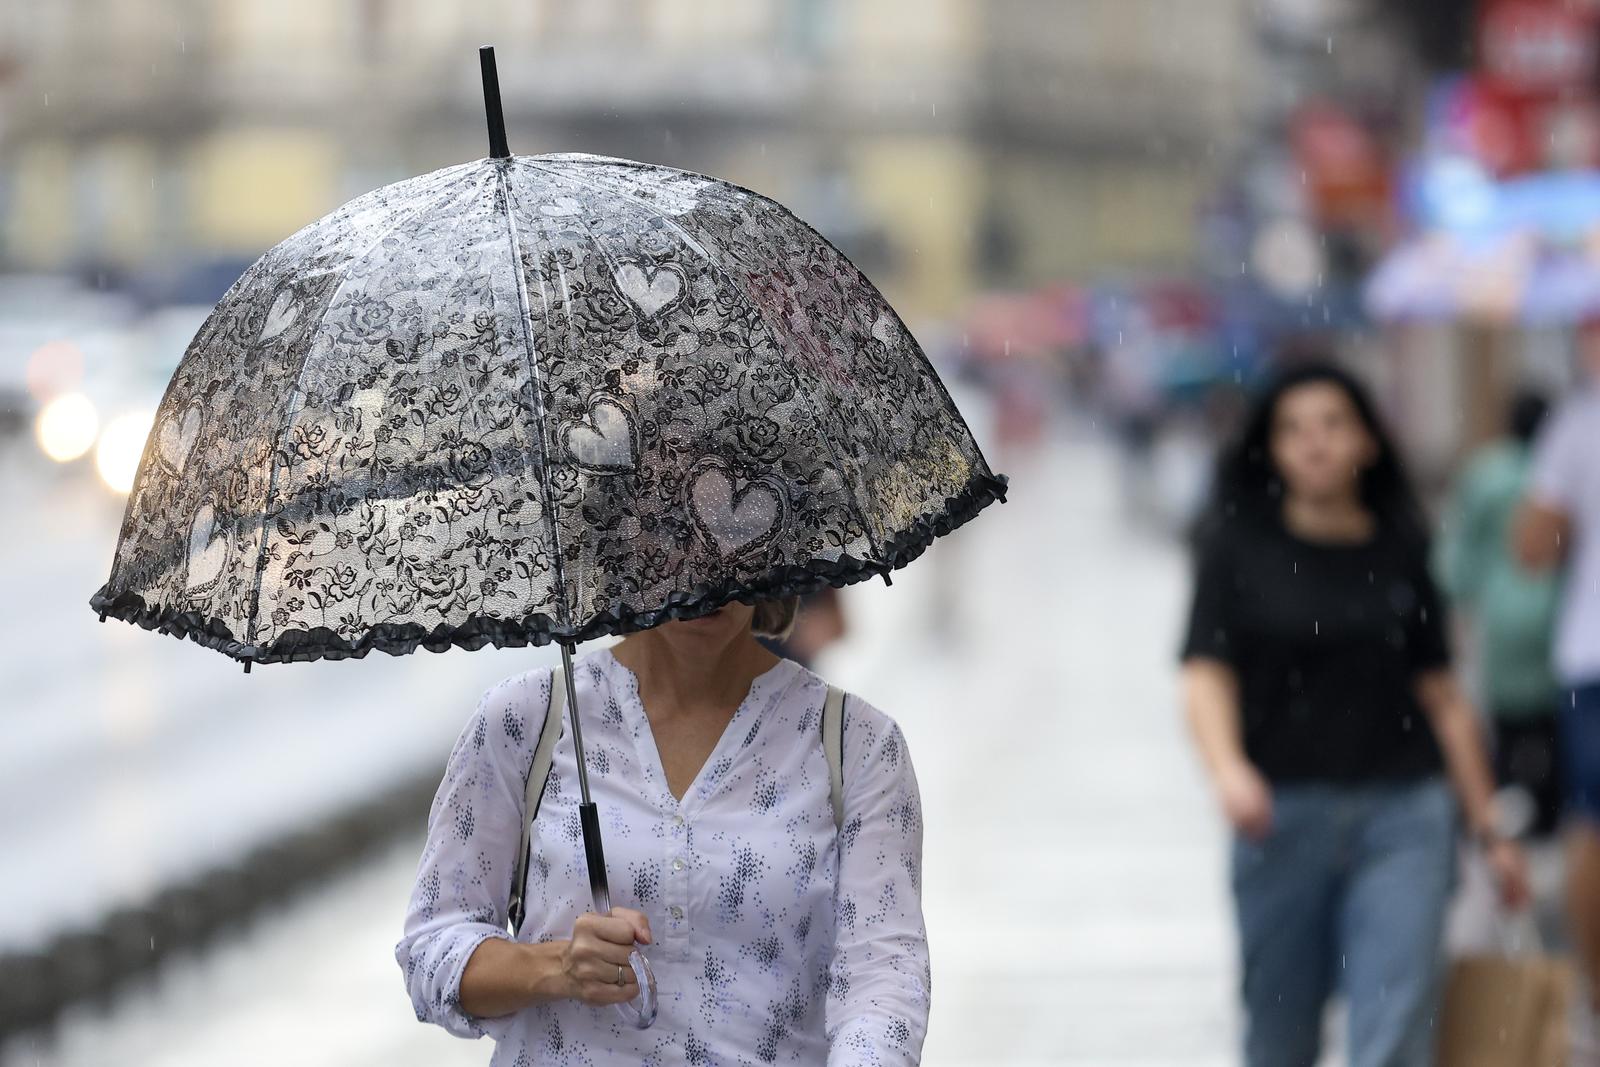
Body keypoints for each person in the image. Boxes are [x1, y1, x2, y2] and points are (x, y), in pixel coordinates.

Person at [394, 596, 930, 1065]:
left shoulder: (855, 742)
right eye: (671, 523)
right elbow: (432, 947)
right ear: (624, 534)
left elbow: (883, 975)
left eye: (733, 524)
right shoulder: (526, 719)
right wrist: (557, 965)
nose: (703, 560)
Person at [1178, 361, 1531, 1067]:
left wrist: (1489, 828)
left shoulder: (1402, 547)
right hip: (1279, 816)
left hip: (1404, 814)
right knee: (1280, 1039)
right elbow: (1205, 675)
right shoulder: (1238, 547)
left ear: (1367, 441)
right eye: (1294, 429)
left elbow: (1443, 695)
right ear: (1272, 448)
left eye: (1333, 424)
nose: (1315, 443)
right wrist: (1228, 770)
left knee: (1395, 1027)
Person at [1516, 334, 1600, 1021]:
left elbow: (1533, 549)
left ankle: (1597, 998)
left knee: (1592, 826)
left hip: (1592, 654)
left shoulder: (1578, 423)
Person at [1436, 391, 1563, 836]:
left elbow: (1458, 562)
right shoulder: (1559, 467)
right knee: (1559, 726)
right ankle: (1554, 816)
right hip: (1564, 613)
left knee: (1510, 730)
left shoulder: (1486, 473)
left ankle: (1514, 813)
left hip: (1504, 611)